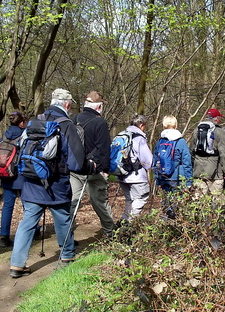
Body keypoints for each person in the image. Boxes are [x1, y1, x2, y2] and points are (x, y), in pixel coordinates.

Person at [9, 88, 85, 278]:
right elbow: (77, 163)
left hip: (31, 182)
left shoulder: (34, 122)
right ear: (67, 105)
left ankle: (17, 264)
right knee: (63, 219)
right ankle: (67, 256)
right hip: (56, 186)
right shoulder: (66, 125)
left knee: (27, 222)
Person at [69, 91, 114, 238]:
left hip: (75, 169)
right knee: (100, 203)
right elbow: (104, 148)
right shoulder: (99, 122)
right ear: (99, 106)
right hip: (94, 170)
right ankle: (110, 232)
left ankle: (66, 237)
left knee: (72, 203)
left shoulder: (73, 118)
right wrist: (106, 169)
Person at [153, 115, 192, 218]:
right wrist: (188, 182)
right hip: (177, 177)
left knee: (166, 202)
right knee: (177, 203)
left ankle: (165, 225)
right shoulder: (181, 141)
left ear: (164, 125)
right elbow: (186, 162)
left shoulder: (160, 142)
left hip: (163, 177)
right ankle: (175, 225)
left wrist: (157, 179)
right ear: (176, 125)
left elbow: (156, 161)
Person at [190, 109, 225, 202]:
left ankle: (197, 215)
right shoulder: (219, 132)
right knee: (216, 198)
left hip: (198, 170)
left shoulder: (196, 130)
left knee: (198, 198)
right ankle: (214, 216)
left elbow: (192, 150)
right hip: (215, 172)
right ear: (216, 119)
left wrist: (192, 166)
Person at [0, 111, 28, 248]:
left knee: (7, 206)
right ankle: (33, 230)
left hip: (6, 174)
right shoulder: (25, 134)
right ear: (22, 122)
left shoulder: (4, 135)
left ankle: (4, 235)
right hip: (22, 176)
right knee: (28, 206)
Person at [118, 114, 153, 221]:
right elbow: (148, 161)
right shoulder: (139, 138)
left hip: (121, 174)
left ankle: (123, 224)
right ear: (141, 125)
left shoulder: (122, 135)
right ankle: (129, 224)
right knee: (140, 199)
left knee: (130, 200)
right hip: (136, 177)